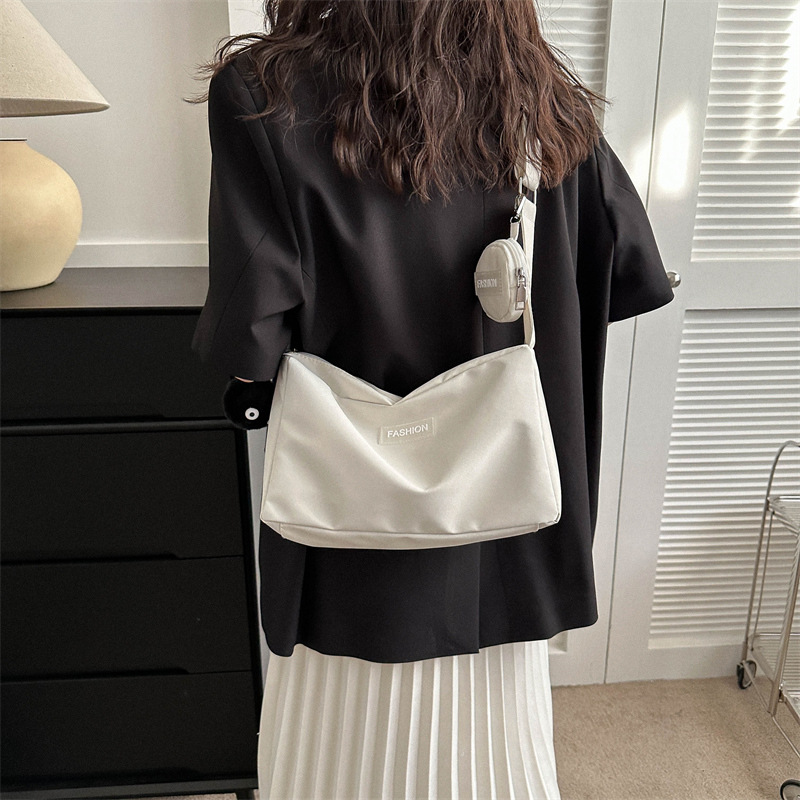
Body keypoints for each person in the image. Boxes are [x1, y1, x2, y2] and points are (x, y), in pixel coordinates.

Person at [190, 1, 675, 797]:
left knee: (333, 759)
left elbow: (250, 338)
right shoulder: (540, 97)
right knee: (497, 763)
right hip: (508, 528)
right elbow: (626, 271)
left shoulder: (264, 92)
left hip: (350, 534)